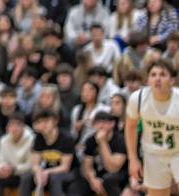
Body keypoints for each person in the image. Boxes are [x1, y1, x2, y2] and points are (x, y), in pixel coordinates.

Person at [126, 59, 179, 196]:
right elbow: (130, 127)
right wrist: (133, 159)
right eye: (153, 75)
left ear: (172, 80)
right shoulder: (137, 99)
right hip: (153, 154)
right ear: (148, 79)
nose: (157, 79)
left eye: (162, 74)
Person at [22, 109, 76, 196]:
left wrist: (46, 172)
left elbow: (65, 167)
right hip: (46, 171)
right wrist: (38, 172)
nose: (43, 125)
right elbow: (34, 164)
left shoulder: (66, 138)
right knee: (26, 177)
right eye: (39, 122)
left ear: (55, 121)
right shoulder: (38, 138)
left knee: (54, 178)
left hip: (70, 172)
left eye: (46, 121)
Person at [76, 111, 127, 196]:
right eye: (97, 123)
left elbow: (113, 168)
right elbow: (88, 166)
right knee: (79, 184)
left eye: (104, 122)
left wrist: (103, 142)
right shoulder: (90, 140)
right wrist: (93, 180)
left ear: (112, 124)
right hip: (98, 173)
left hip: (119, 173)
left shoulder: (120, 140)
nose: (101, 126)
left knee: (109, 179)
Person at [0, 112, 34, 196]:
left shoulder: (32, 139)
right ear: (7, 127)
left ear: (23, 127)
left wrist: (14, 169)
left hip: (25, 174)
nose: (14, 128)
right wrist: (2, 168)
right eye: (11, 125)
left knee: (26, 177)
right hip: (9, 173)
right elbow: (0, 161)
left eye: (17, 125)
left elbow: (31, 165)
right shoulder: (3, 140)